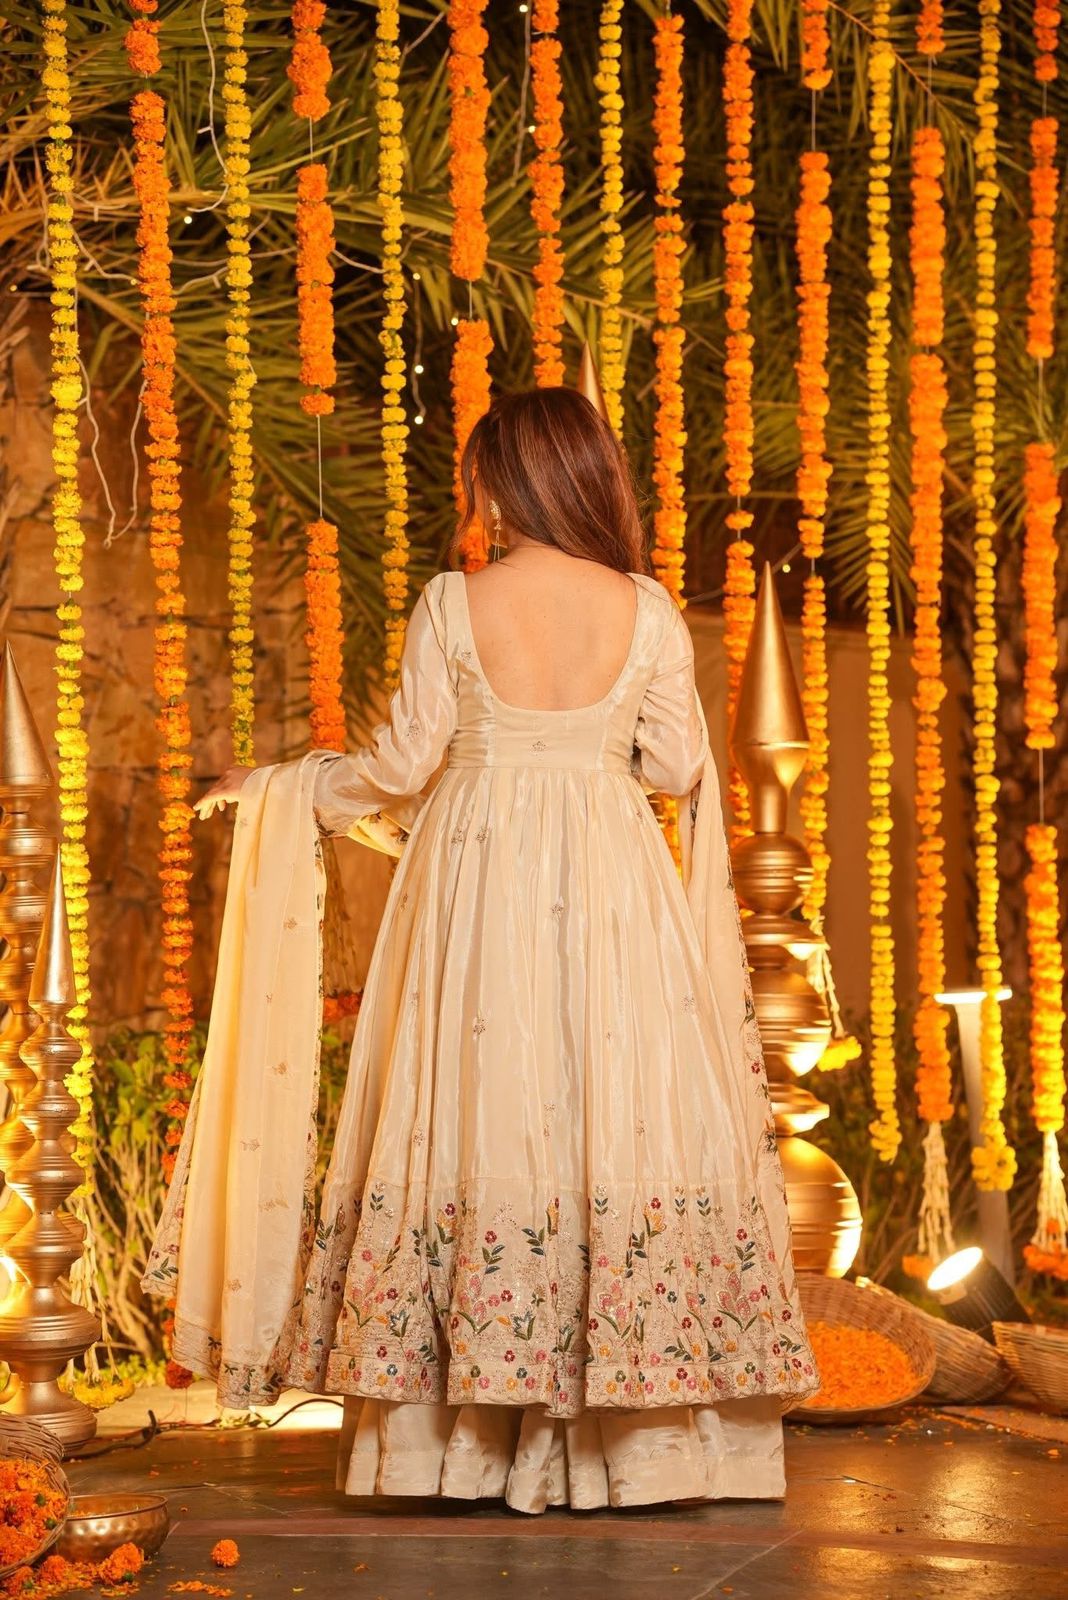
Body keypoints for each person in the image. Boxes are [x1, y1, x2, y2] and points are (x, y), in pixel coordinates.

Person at [143, 387, 819, 1513]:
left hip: (477, 882)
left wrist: (281, 788)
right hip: (613, 886)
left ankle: (456, 1444)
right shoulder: (648, 608)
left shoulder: (455, 601)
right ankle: (632, 1441)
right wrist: (589, 750)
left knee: (477, 1107)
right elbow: (676, 769)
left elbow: (402, 766)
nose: (476, 502)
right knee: (610, 1109)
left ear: (506, 483)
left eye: (480, 481)